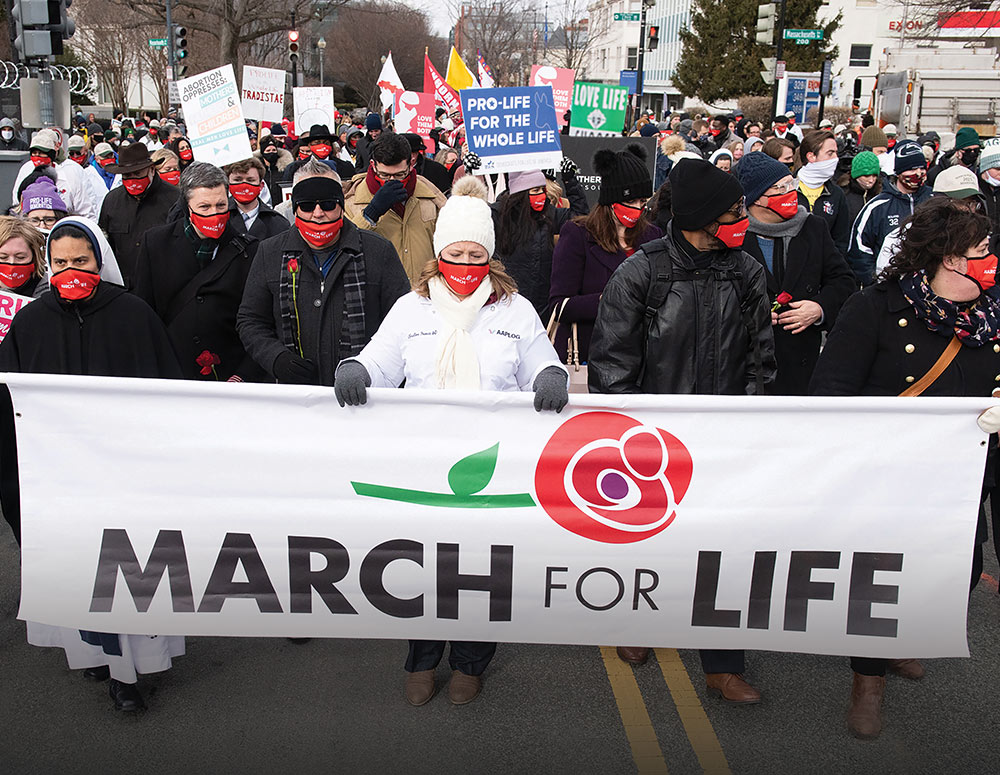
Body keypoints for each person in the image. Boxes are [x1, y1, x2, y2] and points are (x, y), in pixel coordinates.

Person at [333, 175, 569, 707]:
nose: (465, 265)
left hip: (493, 465)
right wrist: (356, 369)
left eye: (475, 255)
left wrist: (551, 375)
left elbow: (540, 364)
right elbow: (379, 360)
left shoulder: (515, 311)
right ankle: (422, 659)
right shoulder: (411, 310)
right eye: (455, 254)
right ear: (438, 256)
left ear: (490, 257)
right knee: (427, 569)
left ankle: (470, 663)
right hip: (427, 461)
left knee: (482, 572)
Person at [809, 198, 999, 740]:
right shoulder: (875, 308)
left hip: (964, 481)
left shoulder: (995, 311)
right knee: (880, 578)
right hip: (887, 476)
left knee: (959, 571)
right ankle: (867, 680)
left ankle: (902, 643)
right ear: (951, 260)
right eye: (983, 252)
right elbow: (832, 394)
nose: (993, 261)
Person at [588, 158, 775, 702]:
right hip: (654, 448)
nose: (745, 219)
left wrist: (751, 428)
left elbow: (763, 362)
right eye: (735, 211)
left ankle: (723, 664)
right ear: (701, 217)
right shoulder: (641, 274)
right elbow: (611, 370)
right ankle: (636, 624)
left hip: (725, 442)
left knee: (723, 552)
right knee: (651, 543)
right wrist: (632, 443)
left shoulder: (746, 271)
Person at [0, 216, 181, 712]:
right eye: (60, 263)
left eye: (80, 262)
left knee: (128, 573)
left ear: (99, 262)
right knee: (80, 573)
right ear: (48, 264)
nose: (70, 271)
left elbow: (167, 394)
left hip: (126, 479)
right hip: (62, 481)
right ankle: (94, 658)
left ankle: (131, 675)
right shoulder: (30, 321)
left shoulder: (134, 315)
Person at [237, 175, 410, 385]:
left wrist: (367, 367)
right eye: (307, 206)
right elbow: (250, 321)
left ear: (341, 207)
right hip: (297, 396)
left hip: (362, 392)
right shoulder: (270, 252)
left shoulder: (378, 251)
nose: (318, 214)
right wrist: (276, 359)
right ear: (295, 210)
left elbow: (401, 322)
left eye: (328, 205)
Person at [734, 152, 855, 394]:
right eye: (781, 188)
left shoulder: (813, 227)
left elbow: (843, 281)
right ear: (757, 199)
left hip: (800, 366)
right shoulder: (734, 236)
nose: (790, 193)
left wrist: (820, 308)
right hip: (746, 370)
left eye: (791, 184)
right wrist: (751, 317)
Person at [132, 162, 263, 382]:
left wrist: (243, 374)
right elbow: (143, 313)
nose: (214, 214)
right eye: (204, 207)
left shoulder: (249, 250)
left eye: (221, 206)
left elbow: (260, 320)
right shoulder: (155, 243)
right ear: (187, 206)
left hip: (230, 377)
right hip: (173, 373)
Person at [549, 144, 662, 364]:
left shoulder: (653, 235)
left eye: (642, 202)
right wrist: (607, 301)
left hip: (640, 356)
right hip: (591, 355)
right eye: (630, 201)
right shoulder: (578, 235)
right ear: (610, 201)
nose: (637, 208)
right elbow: (560, 306)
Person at [343, 133, 447, 283]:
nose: (391, 181)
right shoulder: (353, 200)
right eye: (384, 175)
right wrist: (371, 213)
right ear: (373, 164)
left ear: (411, 164)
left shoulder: (430, 195)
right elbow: (345, 246)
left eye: (399, 175)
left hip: (424, 294)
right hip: (379, 297)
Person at [491, 161, 587, 316]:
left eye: (543, 189)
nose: (542, 195)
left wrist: (570, 181)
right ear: (521, 193)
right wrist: (472, 174)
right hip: (506, 302)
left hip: (541, 305)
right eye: (536, 190)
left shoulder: (548, 213)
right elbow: (468, 216)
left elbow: (580, 217)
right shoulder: (497, 215)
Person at [848, 139, 932, 286]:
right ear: (898, 171)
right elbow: (859, 249)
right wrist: (875, 282)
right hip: (888, 290)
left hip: (928, 290)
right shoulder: (877, 206)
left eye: (921, 168)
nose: (918, 174)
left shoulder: (935, 201)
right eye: (911, 169)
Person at [98, 142, 181, 287]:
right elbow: (106, 246)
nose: (132, 180)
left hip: (163, 287)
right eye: (127, 175)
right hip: (124, 289)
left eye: (137, 173)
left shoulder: (175, 199)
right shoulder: (112, 201)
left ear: (152, 170)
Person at [10, 129, 95, 221]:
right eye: (34, 153)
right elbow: (16, 202)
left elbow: (86, 211)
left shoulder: (70, 173)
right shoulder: (26, 169)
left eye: (42, 153)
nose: (38, 157)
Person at [795, 130, 851, 256]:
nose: (835, 159)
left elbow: (841, 240)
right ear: (811, 156)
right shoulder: (787, 188)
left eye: (836, 153)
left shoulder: (836, 194)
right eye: (830, 153)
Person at [223, 157, 289, 241]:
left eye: (250, 180)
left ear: (261, 185)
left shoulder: (279, 223)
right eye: (238, 180)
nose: (244, 185)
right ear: (228, 183)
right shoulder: (219, 217)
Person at [842, 150, 883, 226]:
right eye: (866, 176)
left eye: (874, 176)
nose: (871, 180)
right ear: (856, 175)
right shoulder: (843, 196)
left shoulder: (882, 195)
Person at [256, 133, 294, 205]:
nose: (271, 152)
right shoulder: (257, 170)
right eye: (268, 150)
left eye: (274, 150)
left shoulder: (285, 169)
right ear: (262, 152)